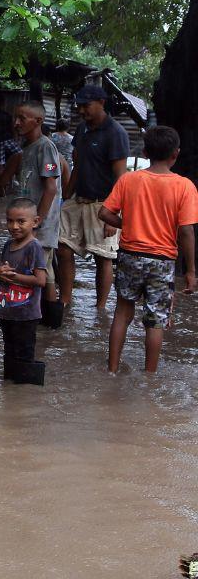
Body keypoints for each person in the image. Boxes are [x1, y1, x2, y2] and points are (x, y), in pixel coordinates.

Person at [98, 126, 198, 373]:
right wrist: (191, 271)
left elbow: (105, 213)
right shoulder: (184, 187)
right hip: (162, 260)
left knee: (122, 313)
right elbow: (186, 232)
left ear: (144, 152)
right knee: (155, 322)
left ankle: (112, 370)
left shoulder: (129, 180)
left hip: (130, 255)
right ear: (176, 154)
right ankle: (150, 377)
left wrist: (128, 223)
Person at [0, 101, 62, 315]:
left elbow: (51, 188)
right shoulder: (26, 149)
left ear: (38, 121)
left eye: (22, 118)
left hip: (38, 225)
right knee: (43, 271)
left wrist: (36, 222)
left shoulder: (46, 147)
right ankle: (43, 323)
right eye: (16, 118)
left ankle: (49, 320)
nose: (16, 123)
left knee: (44, 274)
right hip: (31, 223)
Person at [59, 84, 129, 312]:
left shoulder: (116, 133)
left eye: (86, 105)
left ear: (101, 103)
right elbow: (77, 165)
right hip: (78, 199)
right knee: (63, 247)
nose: (81, 110)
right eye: (79, 106)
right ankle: (65, 300)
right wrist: (65, 197)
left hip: (103, 204)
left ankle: (99, 308)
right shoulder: (82, 129)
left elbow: (121, 178)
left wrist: (113, 215)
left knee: (103, 257)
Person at [0, 197, 49, 384]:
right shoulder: (8, 245)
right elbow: (1, 272)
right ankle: (10, 393)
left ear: (35, 222)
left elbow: (41, 280)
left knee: (24, 354)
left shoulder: (34, 247)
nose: (14, 226)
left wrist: (14, 277)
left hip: (26, 314)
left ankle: (24, 396)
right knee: (9, 352)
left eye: (21, 221)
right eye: (10, 221)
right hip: (7, 310)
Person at [50, 118, 73, 184]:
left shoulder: (51, 136)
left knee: (52, 182)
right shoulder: (72, 139)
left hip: (52, 163)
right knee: (66, 183)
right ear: (68, 127)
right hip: (68, 165)